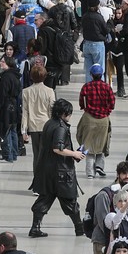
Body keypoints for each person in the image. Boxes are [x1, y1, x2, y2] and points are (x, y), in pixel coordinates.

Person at [30, 99, 85, 238]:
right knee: (69, 200)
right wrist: (74, 154)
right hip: (61, 171)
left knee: (45, 197)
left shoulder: (49, 123)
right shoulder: (61, 127)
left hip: (46, 169)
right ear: (64, 113)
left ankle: (35, 227)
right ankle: (79, 228)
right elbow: (58, 148)